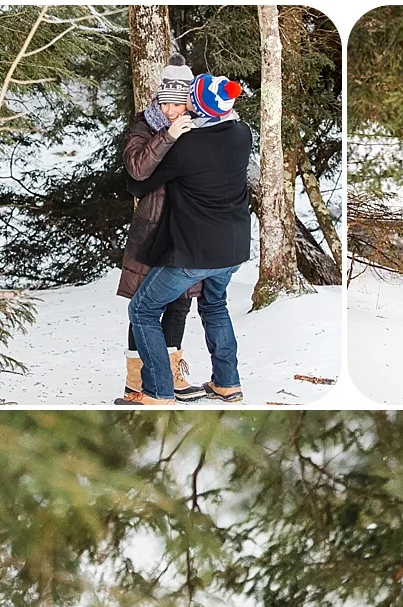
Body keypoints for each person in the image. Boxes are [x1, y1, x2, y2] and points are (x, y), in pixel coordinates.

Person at [126, 72, 254, 404]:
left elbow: (139, 183)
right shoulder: (242, 133)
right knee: (215, 306)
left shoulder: (187, 145)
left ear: (193, 106)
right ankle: (227, 382)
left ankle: (157, 391)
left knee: (143, 309)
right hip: (235, 249)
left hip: (195, 253)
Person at [115, 52, 203, 404]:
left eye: (179, 105)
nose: (172, 111)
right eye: (166, 104)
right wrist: (167, 135)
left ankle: (171, 372)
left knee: (180, 302)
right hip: (152, 229)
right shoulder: (144, 128)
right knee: (143, 304)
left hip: (188, 228)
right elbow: (137, 169)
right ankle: (136, 379)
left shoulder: (202, 127)